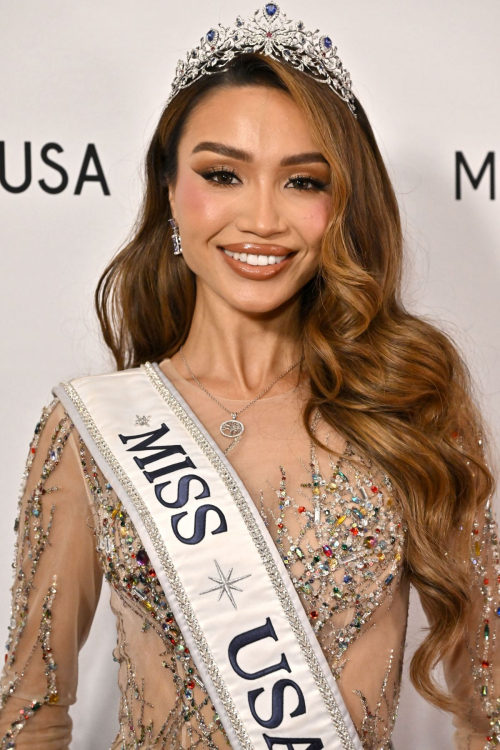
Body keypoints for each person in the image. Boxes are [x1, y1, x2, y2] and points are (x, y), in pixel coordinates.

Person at [0, 5, 498, 750]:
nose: (262, 218)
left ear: (341, 207)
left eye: (302, 182)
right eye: (223, 174)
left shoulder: (412, 406)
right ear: (168, 189)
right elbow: (28, 715)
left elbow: (486, 705)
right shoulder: (92, 427)